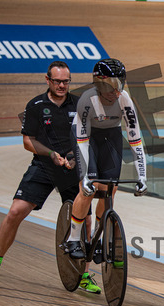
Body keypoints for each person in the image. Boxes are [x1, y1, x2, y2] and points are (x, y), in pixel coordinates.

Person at [0, 62, 98, 292]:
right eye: (57, 81)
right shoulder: (35, 105)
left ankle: (85, 275)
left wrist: (73, 157)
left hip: (72, 167)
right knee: (15, 211)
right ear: (47, 80)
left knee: (85, 220)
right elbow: (28, 141)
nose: (62, 85)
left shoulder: (80, 105)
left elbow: (89, 137)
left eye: (66, 81)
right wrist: (51, 154)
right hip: (44, 166)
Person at [65, 58, 148, 265]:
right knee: (89, 188)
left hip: (110, 135)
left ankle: (98, 238)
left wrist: (142, 176)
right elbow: (82, 142)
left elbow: (135, 140)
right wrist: (85, 177)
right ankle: (73, 239)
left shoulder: (125, 100)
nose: (117, 91)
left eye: (120, 84)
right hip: (86, 138)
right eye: (112, 86)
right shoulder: (87, 100)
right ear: (100, 85)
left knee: (110, 189)